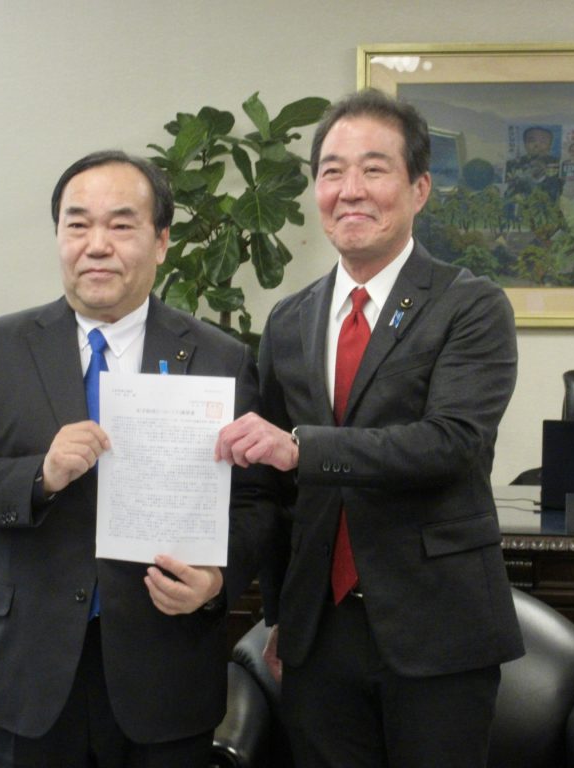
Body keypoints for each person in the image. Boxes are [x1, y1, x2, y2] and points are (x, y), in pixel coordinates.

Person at [0, 150, 273, 768]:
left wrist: (218, 581)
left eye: (121, 225)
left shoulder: (220, 357)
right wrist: (40, 475)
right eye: (77, 224)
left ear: (161, 241)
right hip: (32, 670)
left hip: (166, 672)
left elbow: (257, 502)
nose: (96, 245)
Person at [215, 89, 524, 768]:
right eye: (332, 171)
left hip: (436, 627)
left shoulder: (470, 306)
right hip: (319, 632)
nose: (349, 190)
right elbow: (271, 488)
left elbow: (451, 443)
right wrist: (282, 613)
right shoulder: (290, 320)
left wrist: (303, 448)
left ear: (419, 189)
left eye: (374, 169)